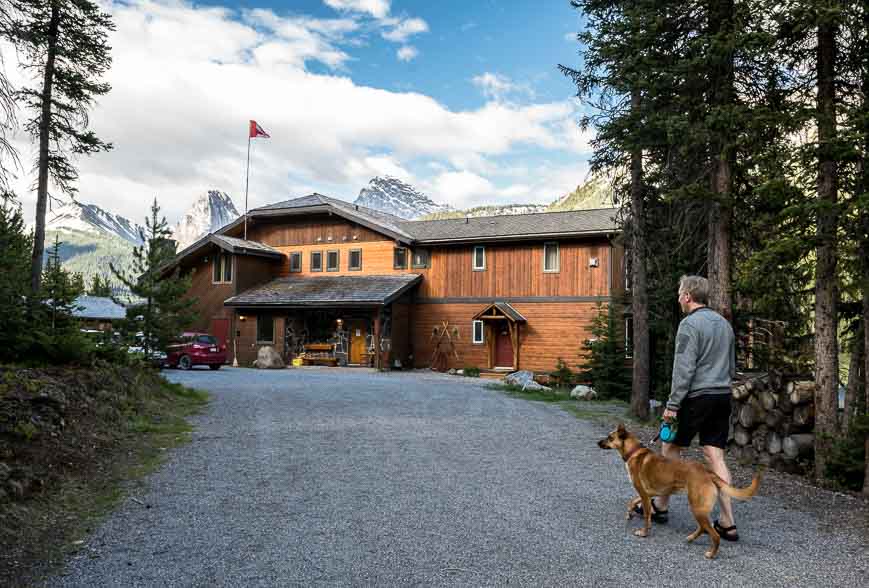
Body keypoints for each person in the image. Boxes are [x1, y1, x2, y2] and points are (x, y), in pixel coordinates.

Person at [636, 275, 739, 541]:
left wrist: (671, 407)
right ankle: (728, 522)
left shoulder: (689, 325)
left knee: (670, 447)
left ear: (688, 297)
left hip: (697, 397)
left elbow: (684, 370)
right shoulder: (725, 325)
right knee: (715, 456)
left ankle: (660, 506)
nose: (678, 298)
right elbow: (731, 367)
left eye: (680, 293)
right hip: (722, 395)